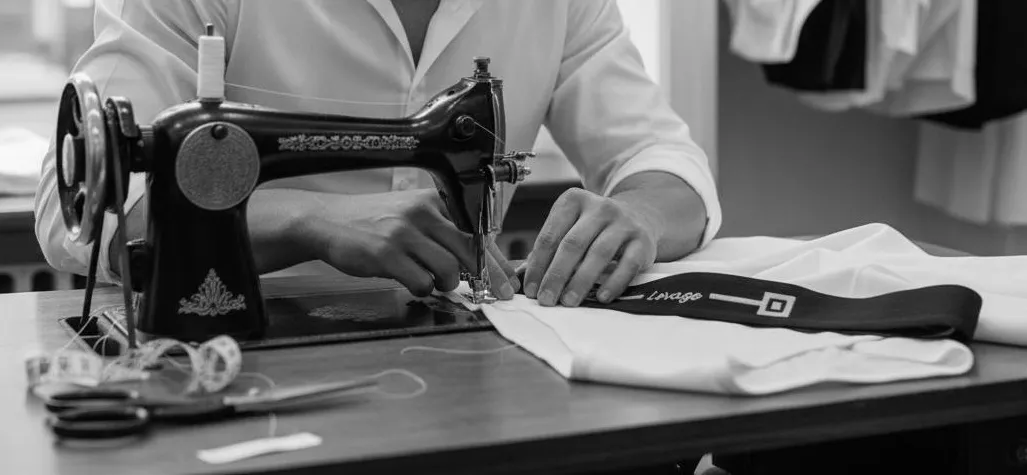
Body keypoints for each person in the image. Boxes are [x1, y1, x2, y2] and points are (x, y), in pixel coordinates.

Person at [34, 0, 721, 309]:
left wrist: (638, 215)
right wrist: (307, 219)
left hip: (460, 378)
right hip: (233, 368)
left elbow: (663, 161)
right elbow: (85, 214)